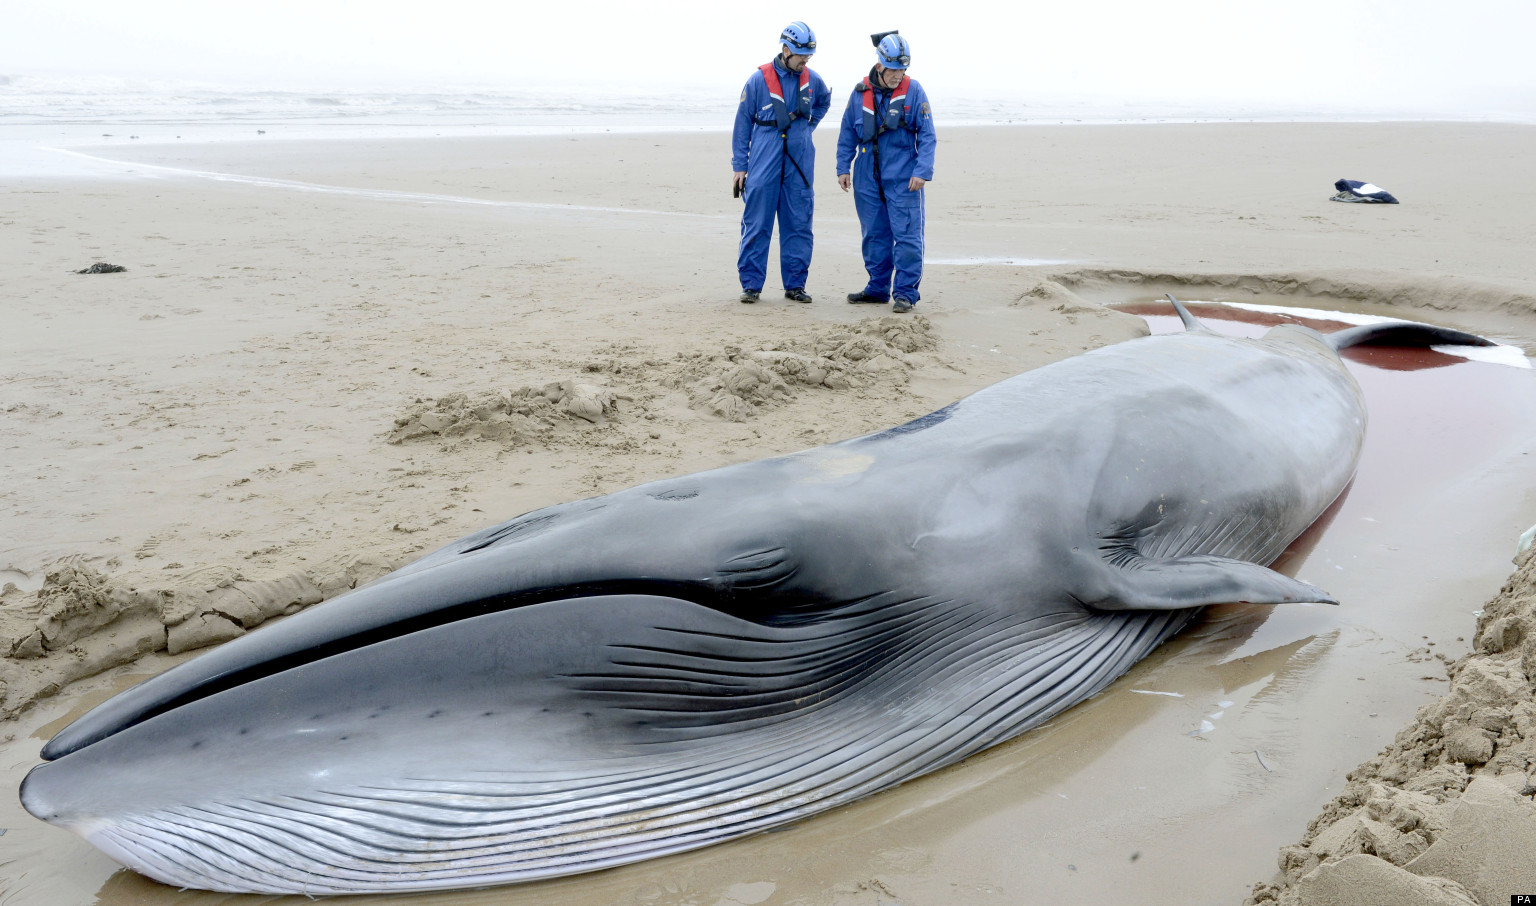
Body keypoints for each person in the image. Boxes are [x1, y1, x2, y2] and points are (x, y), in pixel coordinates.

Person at [732, 22, 832, 305]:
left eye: (808, 55)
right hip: (765, 152)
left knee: (799, 222)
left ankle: (795, 285)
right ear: (786, 49)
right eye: (801, 54)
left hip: (800, 158)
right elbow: (742, 125)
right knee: (757, 222)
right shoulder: (757, 81)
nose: (805, 60)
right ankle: (751, 285)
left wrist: (807, 127)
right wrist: (740, 165)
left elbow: (823, 102)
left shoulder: (813, 80)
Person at [836, 33, 936, 313]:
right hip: (866, 173)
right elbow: (846, 133)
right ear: (879, 65)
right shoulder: (859, 93)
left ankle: (905, 293)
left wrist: (923, 171)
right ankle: (877, 289)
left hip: (904, 174)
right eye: (893, 69)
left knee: (906, 235)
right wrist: (843, 166)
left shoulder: (914, 91)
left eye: (903, 69)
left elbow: (927, 136)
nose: (898, 75)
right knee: (874, 234)